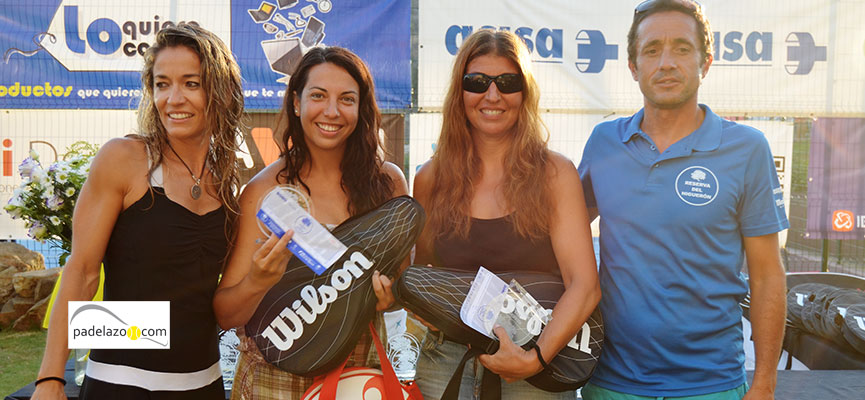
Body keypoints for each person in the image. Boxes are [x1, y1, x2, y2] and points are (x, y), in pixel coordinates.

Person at [577, 1, 788, 399]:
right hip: (610, 384)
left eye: (682, 48)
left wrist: (764, 382)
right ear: (633, 67)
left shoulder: (746, 149)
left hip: (713, 385)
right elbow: (560, 239)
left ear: (706, 62)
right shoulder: (604, 143)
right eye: (652, 49)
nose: (667, 63)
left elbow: (766, 275)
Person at [32, 23, 243, 399]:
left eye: (191, 84)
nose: (173, 98)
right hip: (120, 385)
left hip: (206, 386)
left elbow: (205, 300)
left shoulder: (227, 180)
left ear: (222, 91)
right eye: (162, 84)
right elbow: (81, 271)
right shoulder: (124, 159)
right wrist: (50, 379)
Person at [412, 29, 601, 399]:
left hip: (538, 368)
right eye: (478, 82)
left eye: (508, 82)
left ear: (524, 91)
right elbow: (424, 275)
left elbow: (585, 285)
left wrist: (537, 357)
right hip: (447, 363)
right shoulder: (430, 179)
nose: (492, 95)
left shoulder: (554, 174)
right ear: (460, 92)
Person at [213, 46, 408, 400]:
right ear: (297, 102)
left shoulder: (388, 185)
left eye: (346, 99)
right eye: (318, 95)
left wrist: (387, 297)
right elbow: (225, 314)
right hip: (273, 379)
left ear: (361, 108)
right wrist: (258, 282)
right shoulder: (264, 192)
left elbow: (397, 294)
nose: (332, 111)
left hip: (355, 374)